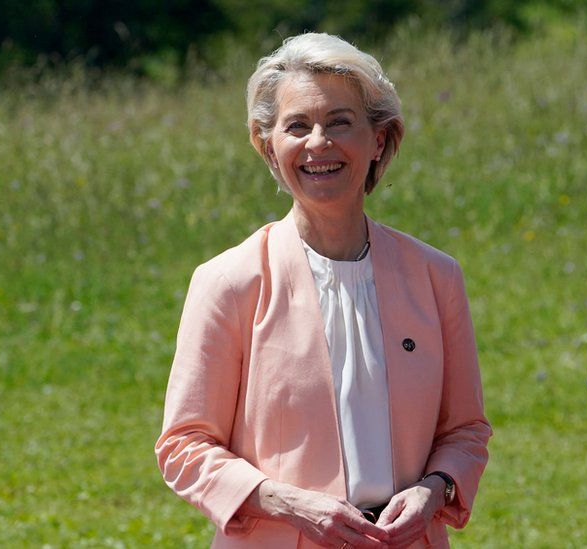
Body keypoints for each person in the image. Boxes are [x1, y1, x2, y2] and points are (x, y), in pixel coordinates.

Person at [156, 33, 491, 549]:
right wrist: (285, 502)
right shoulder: (228, 282)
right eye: (297, 126)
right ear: (268, 145)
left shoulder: (436, 276)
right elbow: (184, 446)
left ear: (378, 139)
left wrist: (432, 491)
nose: (318, 143)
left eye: (340, 122)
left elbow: (465, 432)